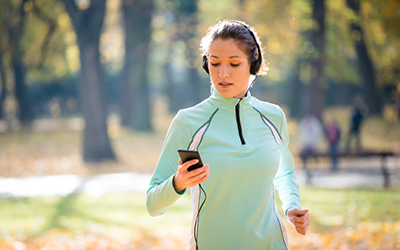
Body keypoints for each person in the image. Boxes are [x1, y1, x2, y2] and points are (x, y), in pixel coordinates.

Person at [146, 20, 309, 250]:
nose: (222, 74)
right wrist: (178, 182)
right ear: (206, 65)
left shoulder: (273, 117)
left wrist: (291, 206)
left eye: (234, 64)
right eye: (214, 63)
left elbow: (284, 172)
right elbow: (152, 204)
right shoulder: (189, 122)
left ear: (253, 65)